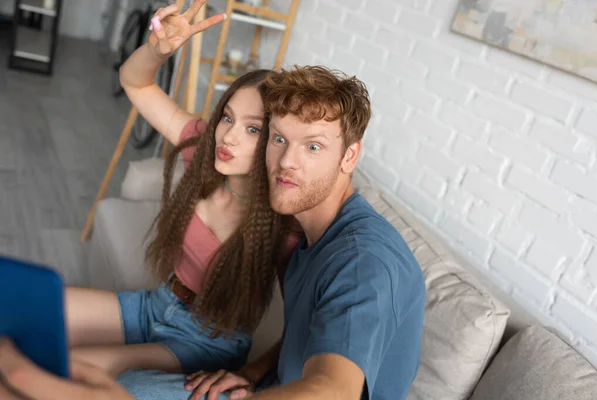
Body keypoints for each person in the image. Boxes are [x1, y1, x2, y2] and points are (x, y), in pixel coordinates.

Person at [0, 65, 426, 400]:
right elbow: (311, 338)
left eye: (313, 146)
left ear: (350, 155)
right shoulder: (313, 240)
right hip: (218, 349)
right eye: (279, 139)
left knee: (85, 384)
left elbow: (333, 390)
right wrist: (253, 372)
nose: (287, 161)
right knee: (30, 324)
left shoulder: (361, 261)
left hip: (220, 351)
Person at [64, 0, 300, 383]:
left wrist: (254, 374)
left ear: (278, 141)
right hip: (157, 303)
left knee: (74, 370)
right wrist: (156, 50)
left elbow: (305, 323)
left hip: (209, 340)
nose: (228, 136)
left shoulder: (286, 225)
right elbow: (135, 82)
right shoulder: (206, 150)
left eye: (253, 129)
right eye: (228, 118)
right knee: (38, 307)